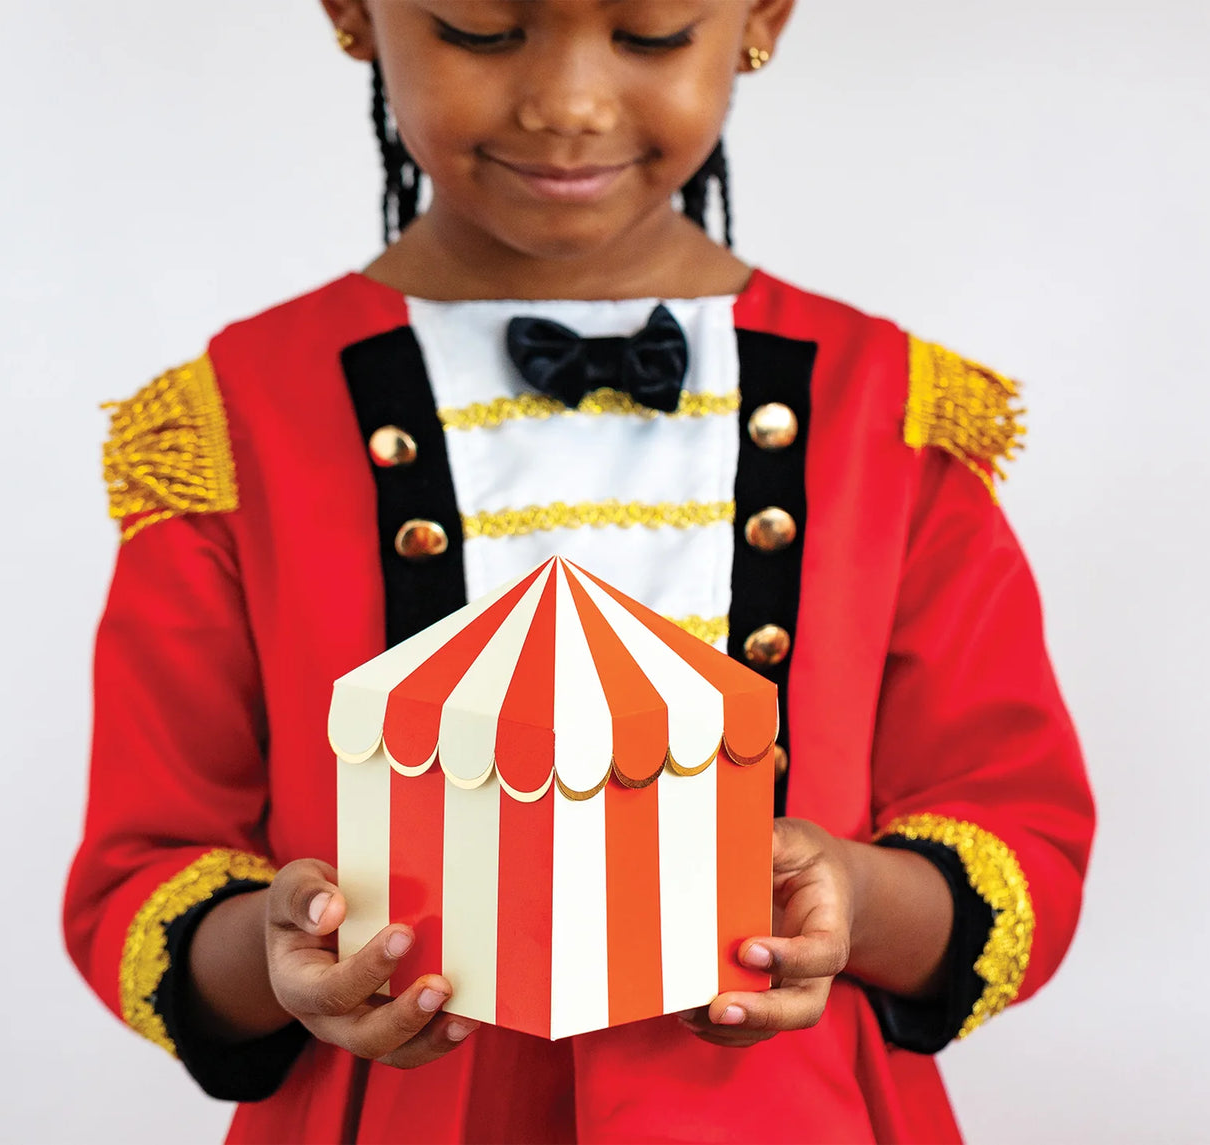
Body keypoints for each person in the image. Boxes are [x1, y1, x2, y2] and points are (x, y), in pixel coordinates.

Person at [63, 1, 1096, 1141]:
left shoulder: (897, 412)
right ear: (354, 13)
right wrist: (279, 951)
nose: (568, 103)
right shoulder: (228, 423)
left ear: (759, 18)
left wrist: (853, 897)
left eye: (651, 36)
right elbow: (141, 870)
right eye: (478, 29)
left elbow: (1020, 839)